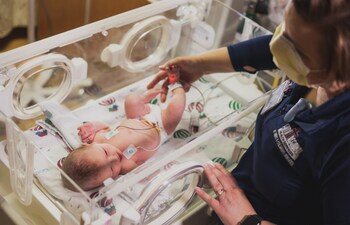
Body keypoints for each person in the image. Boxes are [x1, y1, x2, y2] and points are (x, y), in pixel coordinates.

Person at [147, 0, 350, 224]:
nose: (278, 49)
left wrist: (246, 220)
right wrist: (199, 64)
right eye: (284, 28)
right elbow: (272, 50)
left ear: (340, 68)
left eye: (296, 51)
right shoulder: (312, 60)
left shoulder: (341, 144)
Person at [61, 67, 186, 191]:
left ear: (88, 145)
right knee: (176, 109)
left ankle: (143, 100)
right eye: (111, 169)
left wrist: (92, 127)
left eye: (105, 153)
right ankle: (176, 84)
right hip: (161, 127)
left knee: (131, 99)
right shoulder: (127, 167)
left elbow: (105, 127)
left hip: (137, 116)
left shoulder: (99, 138)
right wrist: (146, 175)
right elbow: (147, 172)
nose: (114, 158)